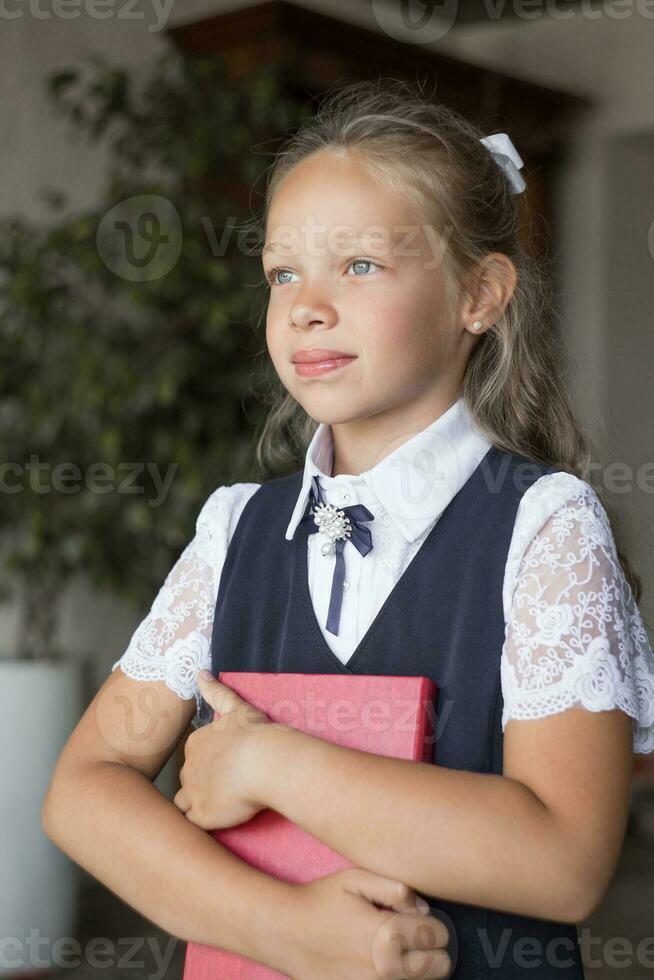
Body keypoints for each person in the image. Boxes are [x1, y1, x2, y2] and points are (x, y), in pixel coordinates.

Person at [42, 78, 654, 980]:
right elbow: (82, 792)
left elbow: (564, 864)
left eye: (359, 265)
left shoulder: (543, 529)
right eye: (283, 271)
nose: (306, 305)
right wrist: (283, 927)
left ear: (477, 295)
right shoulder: (235, 531)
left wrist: (270, 764)